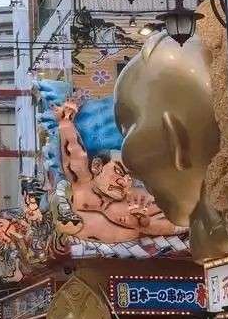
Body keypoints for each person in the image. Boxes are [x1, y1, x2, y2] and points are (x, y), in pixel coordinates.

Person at [53, 98, 180, 243]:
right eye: (119, 172)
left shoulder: (138, 202)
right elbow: (74, 152)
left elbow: (178, 221)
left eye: (129, 177)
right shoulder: (83, 184)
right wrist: (65, 123)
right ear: (97, 166)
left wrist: (144, 224)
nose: (124, 182)